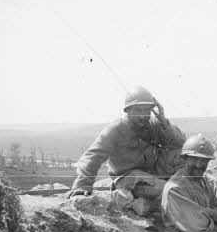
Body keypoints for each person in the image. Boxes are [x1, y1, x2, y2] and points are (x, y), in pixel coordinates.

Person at [66, 86, 186, 214]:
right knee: (170, 190)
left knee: (183, 155)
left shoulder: (153, 124)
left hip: (152, 171)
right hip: (128, 178)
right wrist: (82, 184)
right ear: (128, 110)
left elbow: (180, 143)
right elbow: (93, 156)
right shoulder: (115, 129)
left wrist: (163, 120)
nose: (143, 116)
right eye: (138, 110)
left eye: (146, 110)